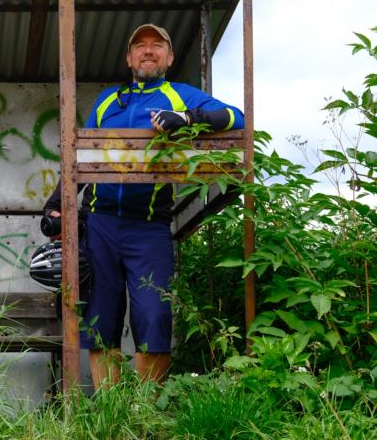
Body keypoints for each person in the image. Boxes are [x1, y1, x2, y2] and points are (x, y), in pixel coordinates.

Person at [43, 23, 243, 389]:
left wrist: (187, 120)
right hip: (100, 225)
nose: (148, 51)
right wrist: (55, 207)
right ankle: (112, 416)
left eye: (157, 46)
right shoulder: (107, 100)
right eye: (140, 46)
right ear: (129, 58)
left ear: (169, 58)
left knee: (154, 317)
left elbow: (236, 118)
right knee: (100, 322)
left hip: (148, 227)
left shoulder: (180, 95)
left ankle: (144, 416)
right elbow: (80, 159)